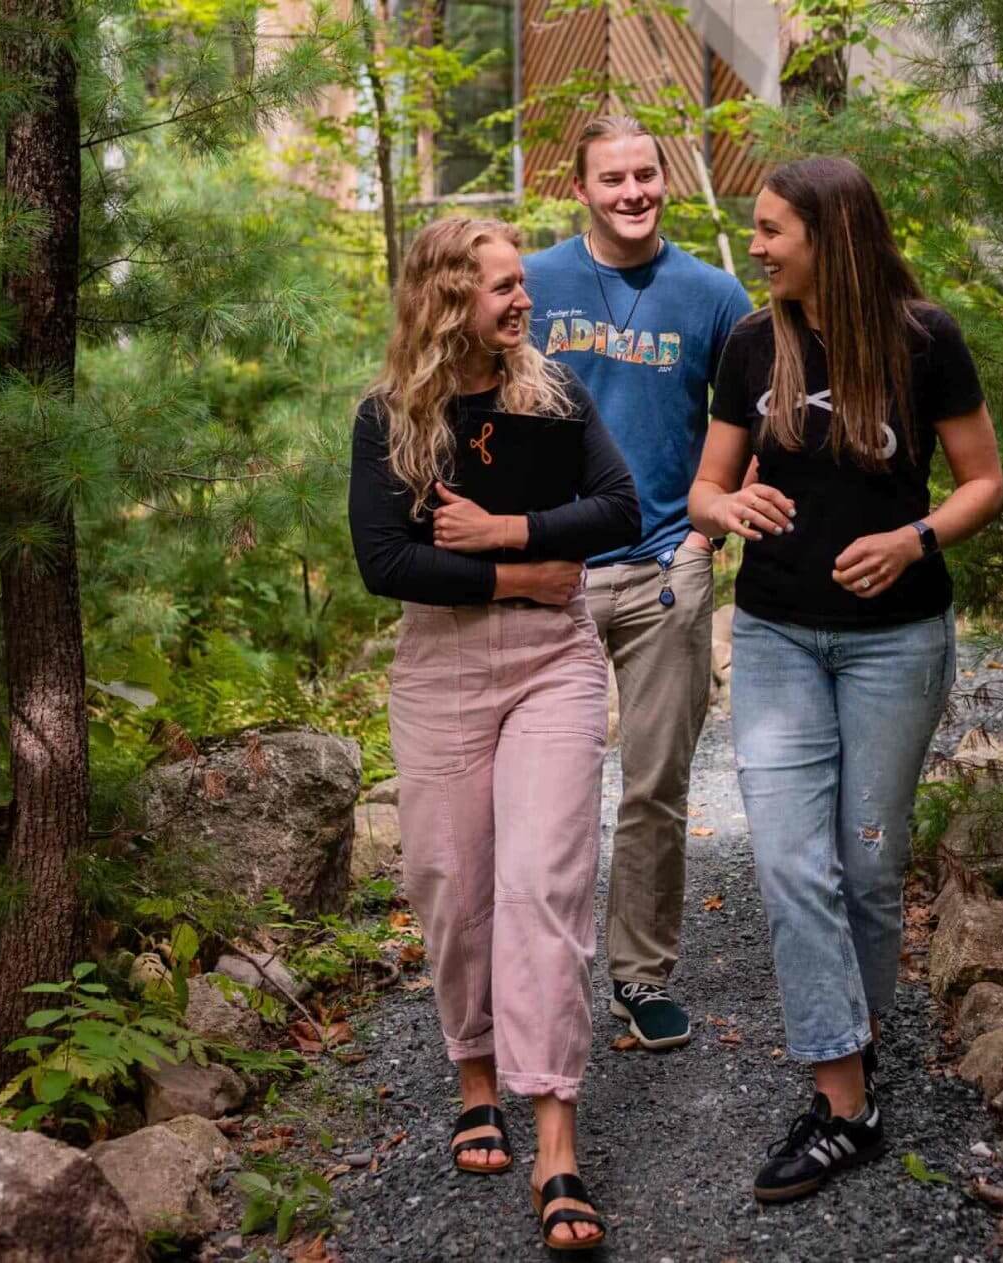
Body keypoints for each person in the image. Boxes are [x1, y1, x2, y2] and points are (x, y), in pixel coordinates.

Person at [689, 157, 1003, 1203]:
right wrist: (728, 512)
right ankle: (843, 1100)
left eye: (774, 229)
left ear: (830, 233)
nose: (760, 245)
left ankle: (852, 1059)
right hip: (777, 635)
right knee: (792, 864)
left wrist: (915, 538)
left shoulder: (925, 340)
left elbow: (983, 483)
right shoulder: (750, 344)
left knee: (869, 870)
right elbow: (705, 490)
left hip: (895, 643)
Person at [349, 216, 640, 1250]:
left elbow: (620, 508)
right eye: (504, 289)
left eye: (523, 286)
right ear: (446, 303)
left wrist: (509, 531)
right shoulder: (389, 417)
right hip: (438, 671)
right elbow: (383, 561)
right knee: (452, 886)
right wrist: (516, 571)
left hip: (552, 663)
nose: (525, 302)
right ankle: (476, 1076)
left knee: (544, 882)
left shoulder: (552, 393)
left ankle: (556, 1133)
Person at [523, 116, 753, 1050]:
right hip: (554, 574)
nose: (632, 192)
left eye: (646, 175)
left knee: (655, 785)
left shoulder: (713, 294)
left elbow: (753, 419)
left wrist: (710, 535)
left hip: (667, 567)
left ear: (665, 181)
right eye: (612, 178)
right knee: (554, 790)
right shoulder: (534, 283)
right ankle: (540, 975)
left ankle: (642, 975)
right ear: (579, 187)